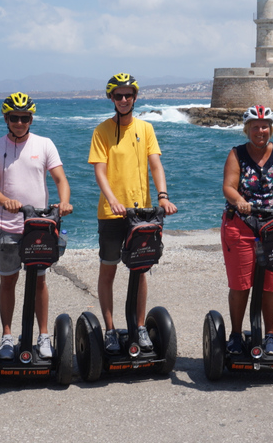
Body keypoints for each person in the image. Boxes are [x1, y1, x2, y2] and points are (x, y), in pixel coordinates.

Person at [88, 73, 178, 353]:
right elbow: (100, 171)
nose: (124, 100)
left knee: (140, 270)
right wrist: (113, 200)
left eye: (128, 95)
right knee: (109, 268)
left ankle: (140, 326)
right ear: (111, 98)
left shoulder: (146, 128)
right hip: (112, 213)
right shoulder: (101, 131)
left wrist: (163, 197)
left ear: (135, 97)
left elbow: (155, 166)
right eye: (118, 96)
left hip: (142, 214)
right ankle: (111, 329)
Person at [0, 93, 73, 360]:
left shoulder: (44, 144)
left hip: (39, 226)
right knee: (8, 280)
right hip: (8, 225)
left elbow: (60, 179)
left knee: (40, 282)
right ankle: (7, 336)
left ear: (31, 119)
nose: (19, 123)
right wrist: (6, 201)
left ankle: (44, 335)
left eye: (24, 118)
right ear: (6, 119)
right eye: (14, 118)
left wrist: (64, 202)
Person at [221, 105, 273, 356]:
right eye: (255, 126)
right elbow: (229, 187)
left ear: (271, 128)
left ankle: (269, 336)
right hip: (241, 224)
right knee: (241, 285)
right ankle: (235, 335)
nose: (261, 130)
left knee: (270, 285)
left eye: (265, 126)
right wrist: (239, 201)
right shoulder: (237, 154)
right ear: (247, 129)